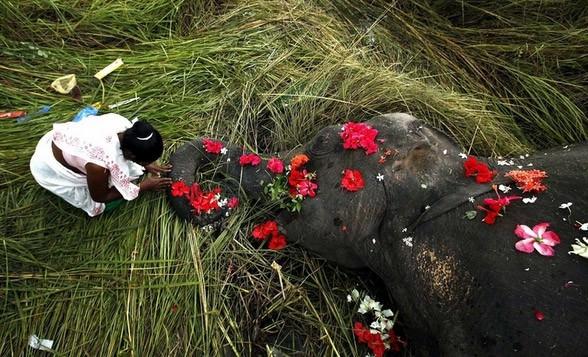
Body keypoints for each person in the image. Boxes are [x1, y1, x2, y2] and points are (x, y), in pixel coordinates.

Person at [30, 113, 172, 216]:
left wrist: (146, 165)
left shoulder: (122, 125)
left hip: (62, 143)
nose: (148, 165)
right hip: (49, 168)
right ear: (131, 155)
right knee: (104, 205)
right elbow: (100, 196)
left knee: (129, 172)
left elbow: (126, 153)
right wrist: (143, 187)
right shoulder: (98, 167)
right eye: (145, 161)